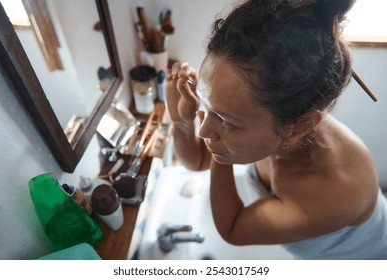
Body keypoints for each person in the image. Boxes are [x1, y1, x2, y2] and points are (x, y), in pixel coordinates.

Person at [164, 0, 387, 260]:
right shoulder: (261, 120)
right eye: (206, 104)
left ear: (299, 127)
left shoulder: (338, 191)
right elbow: (199, 160)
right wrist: (181, 122)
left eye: (225, 121)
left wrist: (219, 146)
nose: (203, 130)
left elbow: (232, 228)